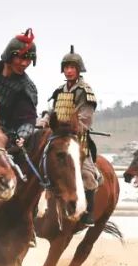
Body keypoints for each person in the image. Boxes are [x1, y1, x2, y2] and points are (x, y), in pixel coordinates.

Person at [39, 46, 99, 225]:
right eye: (66, 67)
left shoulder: (85, 91)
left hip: (77, 139)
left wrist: (69, 126)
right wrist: (44, 120)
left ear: (79, 69)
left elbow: (85, 118)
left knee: (87, 175)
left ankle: (88, 212)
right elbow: (53, 111)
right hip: (57, 137)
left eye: (72, 67)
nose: (69, 71)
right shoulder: (59, 91)